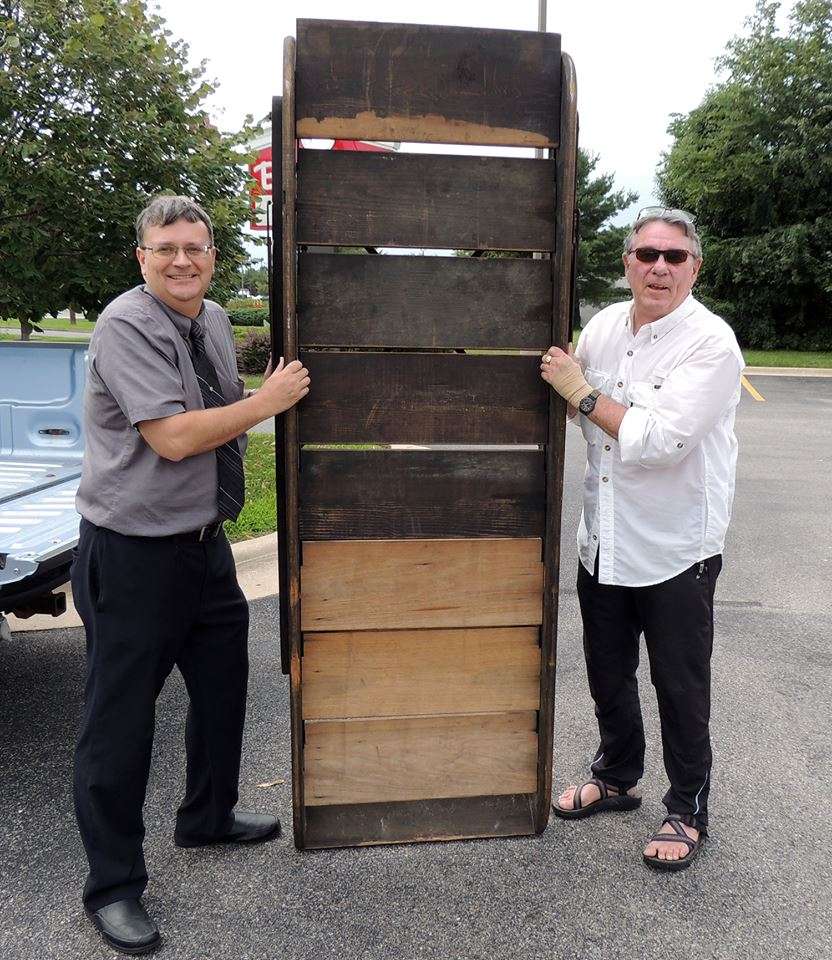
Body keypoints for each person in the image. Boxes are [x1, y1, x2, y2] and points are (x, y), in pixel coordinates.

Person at [72, 195, 310, 953]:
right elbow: (173, 437)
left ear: (213, 256)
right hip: (134, 553)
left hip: (203, 547)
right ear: (140, 257)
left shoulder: (207, 319)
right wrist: (267, 402)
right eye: (165, 247)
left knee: (221, 690)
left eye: (196, 247)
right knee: (120, 724)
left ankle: (206, 818)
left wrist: (257, 395)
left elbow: (215, 405)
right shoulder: (125, 325)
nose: (182, 260)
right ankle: (113, 886)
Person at [540, 207, 743, 871]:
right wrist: (576, 390)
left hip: (674, 547)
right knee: (608, 670)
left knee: (679, 685)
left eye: (675, 257)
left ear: (694, 268)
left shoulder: (710, 343)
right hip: (604, 538)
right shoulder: (603, 325)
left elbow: (660, 442)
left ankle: (687, 807)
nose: (659, 267)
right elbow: (574, 400)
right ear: (627, 261)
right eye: (647, 253)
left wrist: (584, 394)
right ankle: (618, 774)